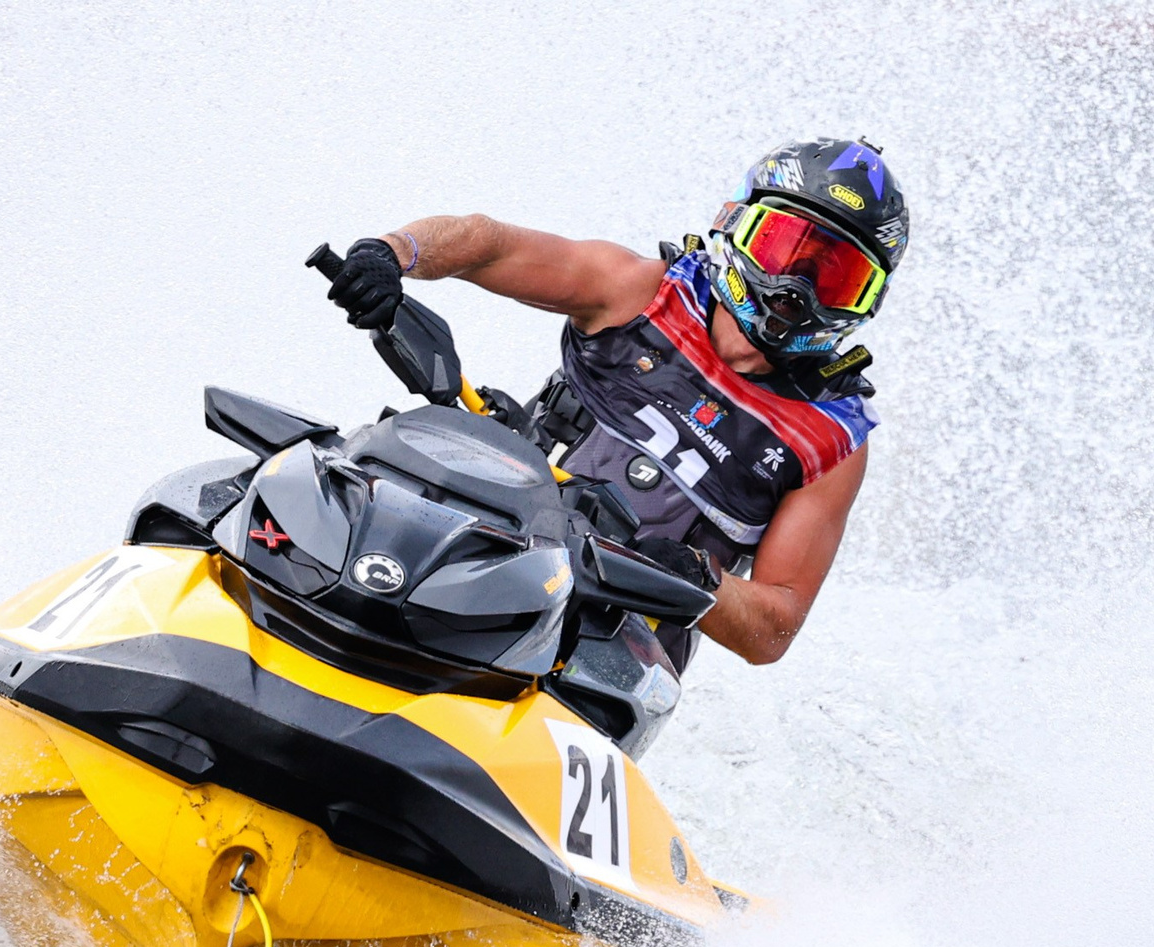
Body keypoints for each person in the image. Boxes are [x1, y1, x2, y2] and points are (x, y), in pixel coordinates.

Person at [319, 139, 906, 669]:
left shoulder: (831, 440)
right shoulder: (639, 291)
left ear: (867, 301)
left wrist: (698, 579)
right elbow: (487, 245)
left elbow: (773, 631)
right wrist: (392, 254)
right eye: (783, 249)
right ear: (737, 223)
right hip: (477, 563)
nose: (793, 290)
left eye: (836, 278)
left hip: (604, 658)